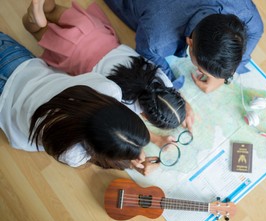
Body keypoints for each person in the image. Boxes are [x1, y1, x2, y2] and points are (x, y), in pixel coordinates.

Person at [23, 0, 194, 148]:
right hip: (73, 52)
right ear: (146, 117)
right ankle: (34, 19)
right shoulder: (127, 106)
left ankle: (44, 8)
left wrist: (183, 107)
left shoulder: (161, 80)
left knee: (52, 10)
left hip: (93, 31)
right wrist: (158, 140)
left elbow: (169, 91)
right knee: (35, 28)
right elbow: (132, 131)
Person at [0, 32, 158, 175]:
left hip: (14, 61)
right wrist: (126, 160)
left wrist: (129, 150)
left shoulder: (108, 90)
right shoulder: (71, 152)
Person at [103, 0, 264, 93]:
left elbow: (257, 29)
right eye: (201, 69)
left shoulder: (243, 9)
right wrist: (172, 88)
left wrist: (225, 76)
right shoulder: (156, 39)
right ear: (190, 42)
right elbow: (149, 56)